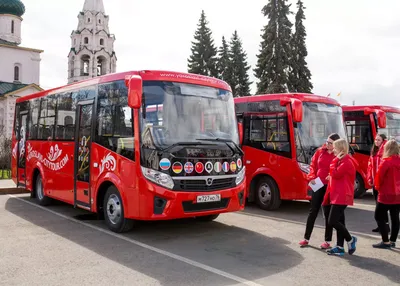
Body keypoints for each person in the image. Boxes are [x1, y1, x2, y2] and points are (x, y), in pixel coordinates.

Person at [299, 133, 340, 249]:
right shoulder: (320, 151)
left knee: (327, 213)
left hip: (330, 185)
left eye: (330, 143)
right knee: (313, 211)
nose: (327, 144)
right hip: (318, 182)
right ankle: (306, 238)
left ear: (335, 144)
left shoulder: (338, 155)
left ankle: (327, 241)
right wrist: (311, 177)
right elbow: (312, 166)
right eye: (327, 141)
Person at [323, 138, 358, 256]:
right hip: (338, 194)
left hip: (341, 195)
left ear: (341, 149)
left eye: (335, 148)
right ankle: (339, 246)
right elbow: (336, 175)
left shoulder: (346, 161)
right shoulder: (343, 160)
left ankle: (350, 239)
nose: (333, 150)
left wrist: (334, 162)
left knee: (332, 221)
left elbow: (336, 173)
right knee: (339, 221)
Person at [372, 139, 400, 248]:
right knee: (395, 217)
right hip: (398, 194)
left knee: (379, 216)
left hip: (386, 194)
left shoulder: (386, 162)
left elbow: (379, 179)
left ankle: (385, 241)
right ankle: (392, 240)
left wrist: (377, 188)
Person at [367, 134, 389, 233]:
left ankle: (385, 226)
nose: (376, 142)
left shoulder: (385, 151)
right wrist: (370, 178)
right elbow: (370, 167)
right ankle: (381, 225)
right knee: (378, 204)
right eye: (375, 140)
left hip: (382, 183)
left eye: (379, 140)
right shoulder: (374, 151)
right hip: (375, 182)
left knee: (382, 206)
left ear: (383, 141)